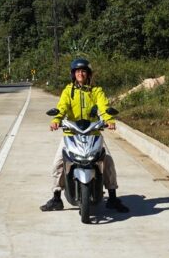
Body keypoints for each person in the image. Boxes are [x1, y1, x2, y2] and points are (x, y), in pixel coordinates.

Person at [40, 57, 129, 213]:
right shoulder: (68, 91)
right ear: (73, 74)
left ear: (88, 74)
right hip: (71, 133)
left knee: (107, 160)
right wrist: (56, 120)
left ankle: (113, 197)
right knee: (58, 163)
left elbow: (103, 106)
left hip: (93, 133)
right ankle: (56, 198)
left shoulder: (96, 91)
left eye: (83, 71)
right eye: (77, 71)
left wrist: (108, 120)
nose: (80, 74)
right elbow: (62, 107)